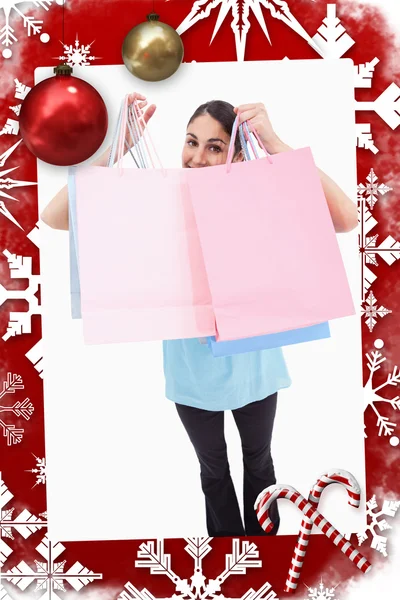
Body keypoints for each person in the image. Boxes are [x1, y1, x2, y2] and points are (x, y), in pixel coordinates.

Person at [40, 93, 358, 538]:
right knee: (213, 473)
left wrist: (274, 140)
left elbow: (346, 218)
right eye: (192, 142)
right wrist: (115, 146)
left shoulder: (260, 202)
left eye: (215, 146)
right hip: (191, 378)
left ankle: (266, 555)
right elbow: (54, 217)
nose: (198, 156)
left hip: (257, 372)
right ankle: (230, 562)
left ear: (237, 151)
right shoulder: (160, 205)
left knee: (260, 464)